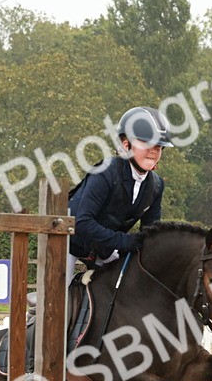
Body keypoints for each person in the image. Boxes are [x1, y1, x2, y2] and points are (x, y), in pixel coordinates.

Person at [68, 106, 171, 278]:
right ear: (126, 145)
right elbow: (83, 223)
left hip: (104, 249)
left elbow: (151, 233)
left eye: (159, 147)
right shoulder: (105, 172)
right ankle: (39, 304)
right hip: (69, 241)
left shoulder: (156, 185)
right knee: (59, 296)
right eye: (146, 143)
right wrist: (126, 241)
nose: (153, 151)